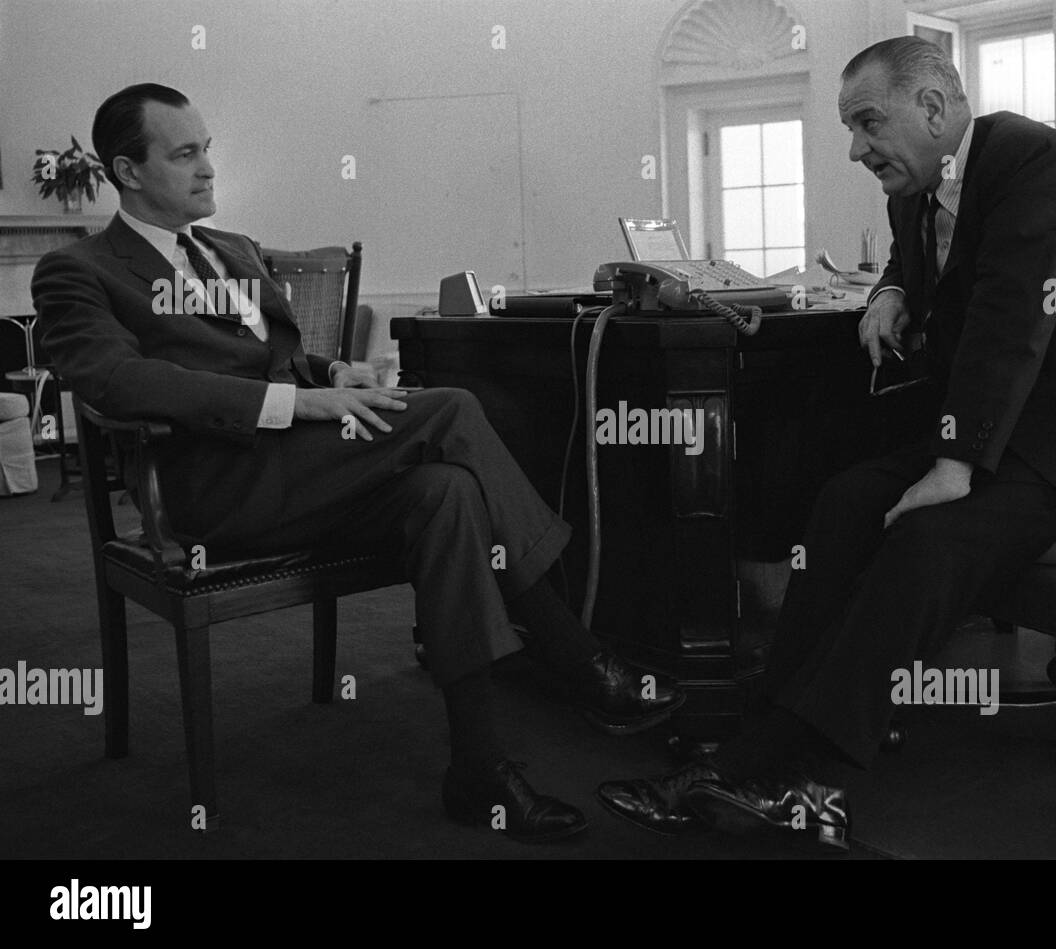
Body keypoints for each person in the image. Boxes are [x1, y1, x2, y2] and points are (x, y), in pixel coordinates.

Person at [33, 82, 683, 844]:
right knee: (452, 409)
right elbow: (113, 379)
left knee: (445, 495)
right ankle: (579, 656)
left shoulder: (231, 249)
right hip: (216, 493)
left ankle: (479, 769)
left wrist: (330, 376)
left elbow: (274, 358)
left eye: (207, 148)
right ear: (128, 171)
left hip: (304, 473)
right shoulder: (79, 270)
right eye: (185, 154)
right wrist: (292, 406)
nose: (208, 167)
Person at [598, 36, 1056, 851]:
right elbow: (918, 264)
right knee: (845, 500)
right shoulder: (915, 193)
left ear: (931, 107)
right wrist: (889, 289)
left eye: (868, 123)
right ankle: (757, 739)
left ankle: (790, 773)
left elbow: (1012, 315)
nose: (855, 149)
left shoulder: (1031, 159)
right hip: (1024, 426)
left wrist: (955, 462)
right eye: (850, 128)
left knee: (930, 537)